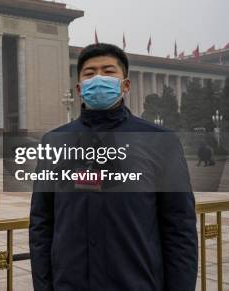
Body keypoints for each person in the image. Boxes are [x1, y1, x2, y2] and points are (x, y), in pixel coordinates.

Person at [29, 43, 197, 291]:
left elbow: (179, 227)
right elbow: (42, 223)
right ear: (78, 88)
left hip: (135, 283)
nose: (98, 79)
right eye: (89, 73)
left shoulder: (159, 141)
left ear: (125, 85)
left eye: (108, 72)